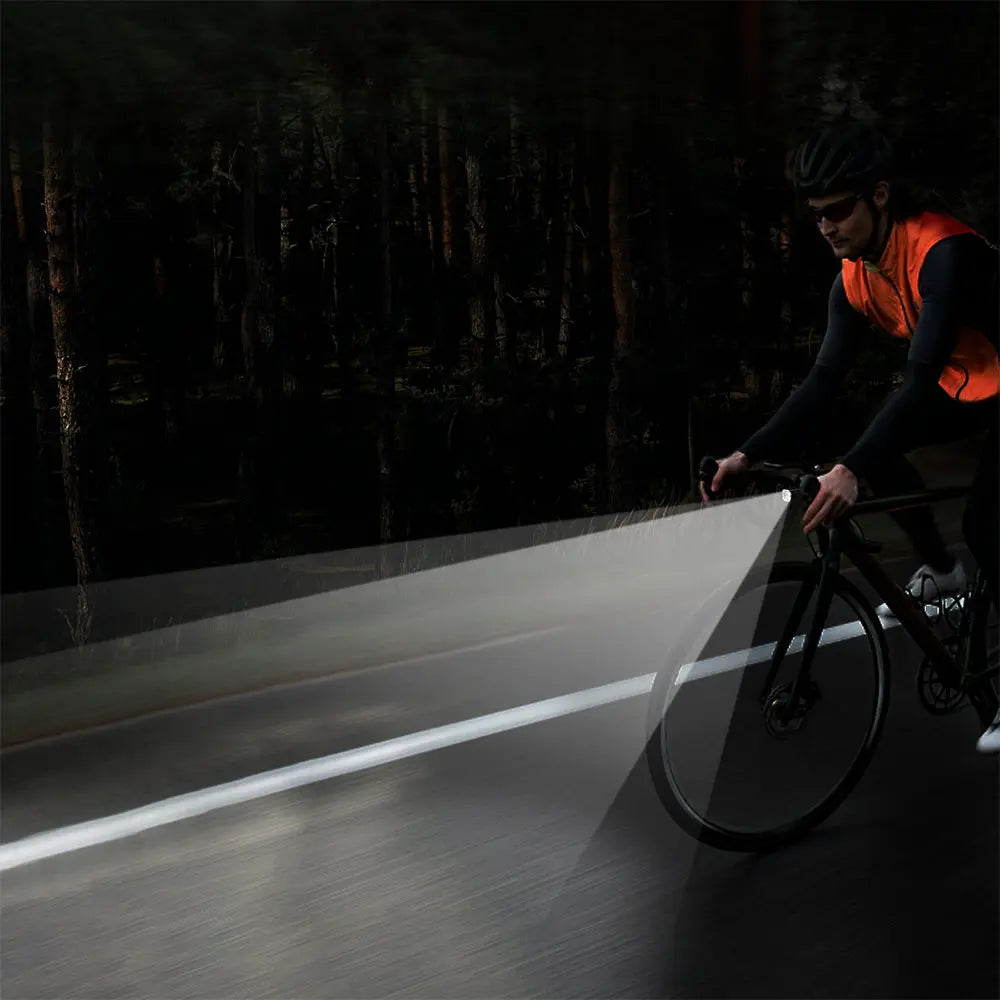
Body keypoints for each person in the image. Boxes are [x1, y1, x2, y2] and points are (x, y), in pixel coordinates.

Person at [701, 120, 1000, 753]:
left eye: (838, 211)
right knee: (866, 434)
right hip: (972, 383)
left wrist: (854, 469)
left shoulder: (943, 251)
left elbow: (918, 381)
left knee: (988, 525)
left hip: (968, 382)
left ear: (881, 195)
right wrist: (747, 453)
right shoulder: (855, 277)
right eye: (817, 217)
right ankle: (943, 572)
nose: (827, 227)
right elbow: (822, 382)